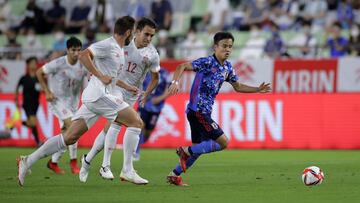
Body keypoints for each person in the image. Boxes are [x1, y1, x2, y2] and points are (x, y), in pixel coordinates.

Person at [16, 16, 146, 187]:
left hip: (96, 97)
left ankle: (27, 161)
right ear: (128, 32)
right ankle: (127, 170)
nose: (133, 37)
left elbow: (109, 77)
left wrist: (126, 86)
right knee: (136, 122)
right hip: (98, 96)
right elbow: (85, 55)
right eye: (133, 33)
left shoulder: (119, 50)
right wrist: (100, 76)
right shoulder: (108, 45)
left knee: (69, 137)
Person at [166, 31, 271, 186]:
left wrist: (257, 89)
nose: (227, 49)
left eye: (230, 47)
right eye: (224, 46)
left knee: (198, 149)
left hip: (199, 112)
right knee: (223, 142)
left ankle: (174, 174)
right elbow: (181, 66)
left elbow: (238, 86)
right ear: (215, 47)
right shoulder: (207, 62)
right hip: (198, 111)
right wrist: (174, 83)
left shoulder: (228, 67)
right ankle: (185, 151)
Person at [79, 17, 160, 183]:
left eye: (152, 36)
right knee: (116, 125)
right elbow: (101, 55)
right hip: (115, 88)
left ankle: (88, 159)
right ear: (136, 31)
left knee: (110, 128)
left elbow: (155, 77)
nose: (149, 39)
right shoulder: (122, 45)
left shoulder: (152, 54)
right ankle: (107, 166)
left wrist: (147, 94)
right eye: (146, 34)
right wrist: (96, 72)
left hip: (131, 94)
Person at [36, 37, 87, 175]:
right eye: (73, 50)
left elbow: (86, 82)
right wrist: (46, 91)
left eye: (78, 50)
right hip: (57, 101)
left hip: (73, 103)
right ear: (67, 50)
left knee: (67, 135)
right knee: (73, 128)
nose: (76, 53)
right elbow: (39, 72)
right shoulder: (58, 63)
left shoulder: (83, 64)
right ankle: (73, 162)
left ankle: (53, 162)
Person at [133, 68, 171, 160]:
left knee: (148, 133)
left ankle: (139, 143)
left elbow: (169, 88)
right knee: (140, 126)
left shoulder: (164, 73)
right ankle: (135, 152)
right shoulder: (143, 71)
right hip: (143, 104)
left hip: (156, 107)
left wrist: (160, 98)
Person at [15, 57, 42, 147]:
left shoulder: (39, 77)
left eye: (35, 63)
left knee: (32, 124)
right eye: (33, 63)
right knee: (33, 122)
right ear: (28, 65)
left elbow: (43, 88)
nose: (35, 64)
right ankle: (38, 142)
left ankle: (18, 123)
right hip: (27, 103)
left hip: (36, 104)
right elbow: (17, 87)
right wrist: (16, 99)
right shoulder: (24, 78)